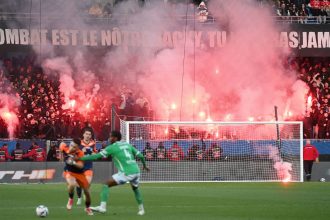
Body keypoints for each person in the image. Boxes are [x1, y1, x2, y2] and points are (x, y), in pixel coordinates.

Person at [77, 130, 149, 215]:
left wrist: (80, 158)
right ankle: (142, 210)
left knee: (106, 184)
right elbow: (140, 156)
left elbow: (96, 156)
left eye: (111, 136)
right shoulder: (127, 144)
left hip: (126, 172)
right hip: (136, 171)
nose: (109, 138)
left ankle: (102, 207)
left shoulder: (112, 147)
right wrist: (144, 166)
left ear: (115, 138)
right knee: (135, 189)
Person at [59, 139, 93, 215]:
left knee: (87, 192)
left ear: (77, 148)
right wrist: (61, 155)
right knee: (71, 184)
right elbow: (61, 144)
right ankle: (71, 199)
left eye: (74, 147)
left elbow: (81, 166)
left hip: (80, 174)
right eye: (71, 145)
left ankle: (87, 208)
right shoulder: (65, 147)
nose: (72, 148)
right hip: (69, 172)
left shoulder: (80, 153)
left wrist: (73, 162)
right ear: (70, 144)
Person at [76, 128, 97, 206]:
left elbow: (96, 156)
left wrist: (91, 151)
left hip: (88, 166)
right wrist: (82, 152)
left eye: (89, 134)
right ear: (83, 135)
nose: (88, 136)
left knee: (87, 183)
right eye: (86, 134)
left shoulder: (93, 144)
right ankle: (79, 198)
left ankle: (85, 194)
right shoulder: (79, 143)